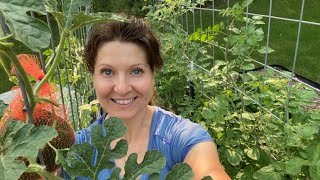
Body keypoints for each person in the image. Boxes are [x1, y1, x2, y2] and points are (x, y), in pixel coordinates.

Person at [65, 17, 230, 180]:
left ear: (153, 74)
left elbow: (209, 169)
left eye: (136, 71)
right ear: (93, 76)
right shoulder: (74, 150)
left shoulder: (182, 139)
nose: (122, 88)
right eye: (107, 72)